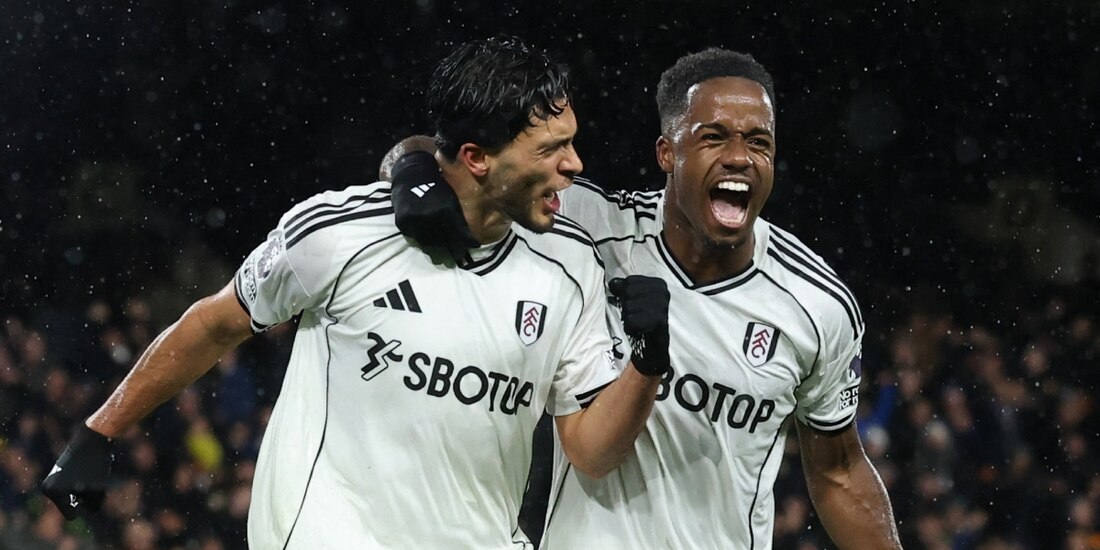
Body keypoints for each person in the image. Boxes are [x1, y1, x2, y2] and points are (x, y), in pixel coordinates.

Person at [40, 36, 673, 549]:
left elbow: (590, 453)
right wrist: (99, 433)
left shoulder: (568, 266)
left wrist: (645, 363)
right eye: (553, 148)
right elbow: (215, 325)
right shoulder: (339, 234)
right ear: (478, 158)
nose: (575, 164)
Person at [387, 48, 902, 548]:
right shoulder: (588, 229)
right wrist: (412, 172)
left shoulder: (816, 304)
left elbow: (838, 471)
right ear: (667, 153)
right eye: (714, 137)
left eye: (759, 143)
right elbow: (458, 152)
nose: (739, 158)